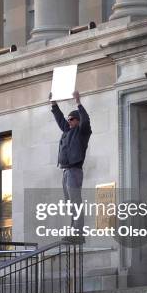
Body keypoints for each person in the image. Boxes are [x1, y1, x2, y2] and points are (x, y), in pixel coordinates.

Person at [50, 90, 92, 236]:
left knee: (75, 200)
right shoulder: (67, 131)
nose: (69, 121)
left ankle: (78, 230)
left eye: (72, 119)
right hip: (66, 171)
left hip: (74, 170)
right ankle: (74, 228)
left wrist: (78, 102)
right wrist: (54, 104)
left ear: (78, 120)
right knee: (70, 203)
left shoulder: (82, 132)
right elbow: (60, 119)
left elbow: (86, 120)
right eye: (69, 119)